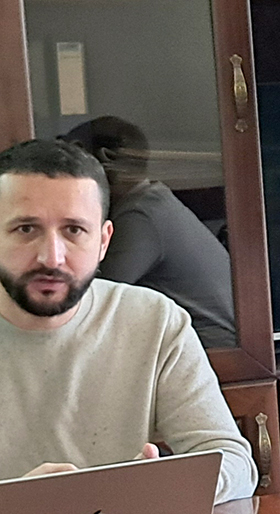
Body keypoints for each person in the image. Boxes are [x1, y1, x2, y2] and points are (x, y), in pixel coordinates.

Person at [0, 138, 256, 514]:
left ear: (104, 241)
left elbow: (235, 463)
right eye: (26, 229)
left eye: (74, 230)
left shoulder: (156, 321)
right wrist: (9, 510)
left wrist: (157, 488)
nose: (51, 257)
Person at [62, 116, 238, 348]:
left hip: (210, 350)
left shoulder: (141, 214)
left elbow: (94, 300)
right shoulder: (150, 201)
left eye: (71, 163)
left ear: (105, 158)